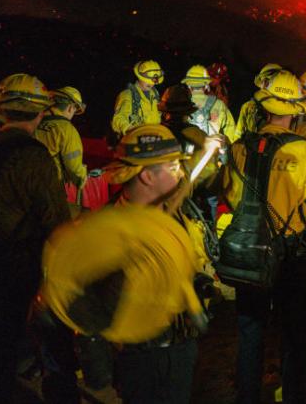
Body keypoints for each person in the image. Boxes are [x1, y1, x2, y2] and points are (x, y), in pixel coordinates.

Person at [0, 74, 73, 402]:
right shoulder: (34, 156)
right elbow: (56, 220)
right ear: (40, 113)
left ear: (2, 108)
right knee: (10, 351)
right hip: (15, 272)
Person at [219, 71, 306, 404]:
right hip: (289, 255)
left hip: (249, 251)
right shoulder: (304, 150)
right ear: (294, 109)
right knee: (294, 336)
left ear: (264, 107)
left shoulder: (239, 148)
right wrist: (296, 231)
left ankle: (247, 396)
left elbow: (232, 195)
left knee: (251, 331)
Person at [101, 124, 209, 404]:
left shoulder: (168, 208)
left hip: (179, 346)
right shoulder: (115, 232)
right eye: (173, 166)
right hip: (147, 358)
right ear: (148, 176)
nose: (181, 173)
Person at [35, 86, 88, 215]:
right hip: (50, 189)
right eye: (75, 110)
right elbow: (73, 166)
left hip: (25, 186)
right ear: (70, 107)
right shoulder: (67, 130)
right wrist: (82, 177)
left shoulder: (33, 122)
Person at [181, 64, 239, 142]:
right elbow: (230, 129)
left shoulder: (179, 103)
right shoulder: (219, 104)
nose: (216, 80)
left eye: (219, 78)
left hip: (188, 148)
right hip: (211, 149)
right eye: (214, 77)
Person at [111, 60, 164, 138]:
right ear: (139, 77)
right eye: (148, 81)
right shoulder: (128, 95)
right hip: (137, 141)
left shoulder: (155, 94)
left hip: (155, 138)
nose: (151, 83)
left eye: (153, 81)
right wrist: (130, 129)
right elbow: (118, 119)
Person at [237, 63, 282, 137]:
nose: (264, 87)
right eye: (264, 82)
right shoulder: (248, 107)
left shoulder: (285, 113)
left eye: (268, 83)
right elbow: (239, 134)